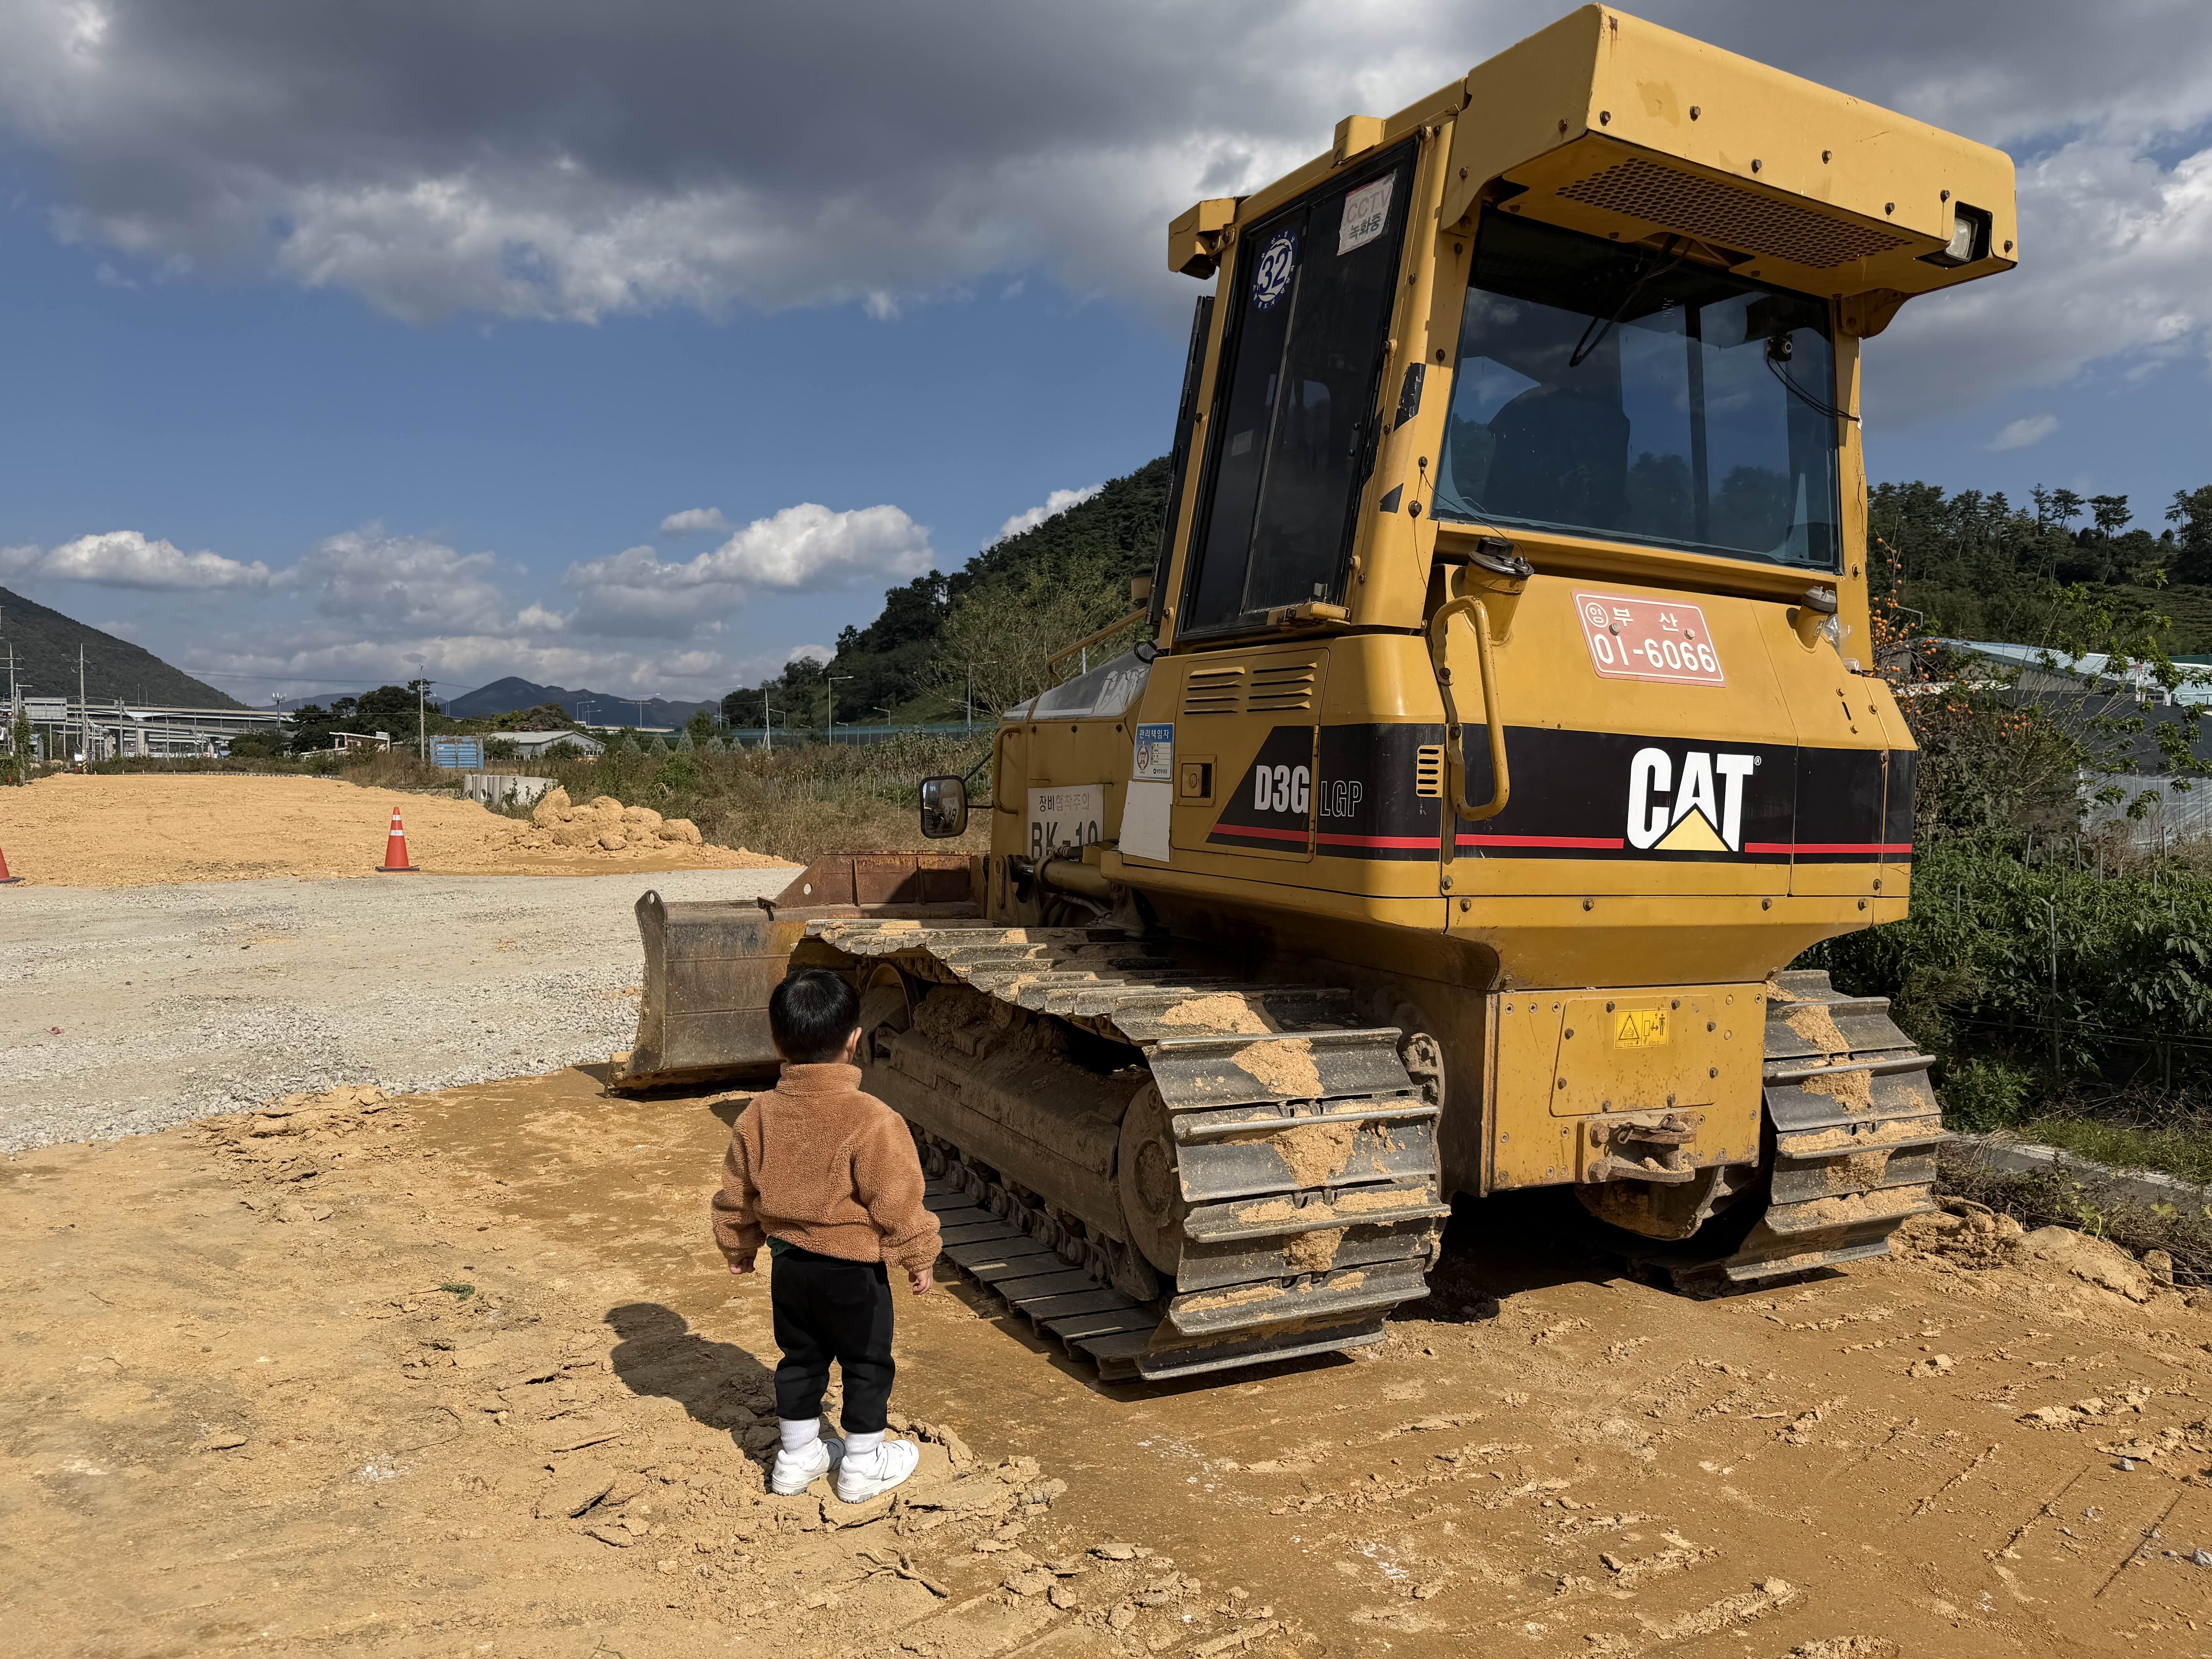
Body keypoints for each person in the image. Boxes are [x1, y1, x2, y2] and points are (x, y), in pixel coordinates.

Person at [711, 969, 941, 1502]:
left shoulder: (757, 1116)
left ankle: (796, 1459)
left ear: (776, 1043)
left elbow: (737, 1190)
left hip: (790, 1269)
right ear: (854, 1040)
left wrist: (739, 1245)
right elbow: (897, 1197)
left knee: (800, 1359)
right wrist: (919, 1254)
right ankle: (862, 1466)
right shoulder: (874, 1118)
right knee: (867, 1363)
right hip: (854, 1272)